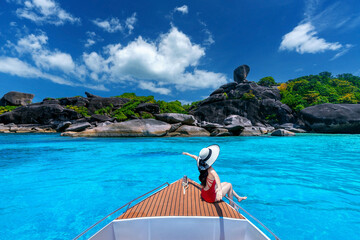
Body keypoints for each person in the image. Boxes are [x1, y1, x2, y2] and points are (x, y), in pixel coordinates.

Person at [182, 144, 247, 205]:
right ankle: (232, 205)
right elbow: (217, 177)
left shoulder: (199, 164)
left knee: (225, 183)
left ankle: (238, 197)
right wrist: (219, 190)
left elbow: (195, 157)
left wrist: (187, 154)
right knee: (229, 185)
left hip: (204, 194)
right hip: (210, 198)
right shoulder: (211, 170)